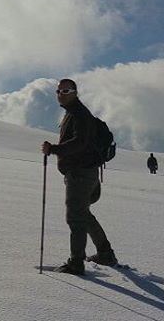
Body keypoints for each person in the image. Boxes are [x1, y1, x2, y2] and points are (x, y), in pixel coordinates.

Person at [41, 79, 117, 275]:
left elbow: (80, 143)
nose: (61, 93)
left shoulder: (80, 114)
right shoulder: (74, 113)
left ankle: (76, 263)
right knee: (83, 214)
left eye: (66, 90)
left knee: (75, 216)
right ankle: (105, 253)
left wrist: (54, 149)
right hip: (84, 172)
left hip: (81, 173)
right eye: (58, 90)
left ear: (75, 92)